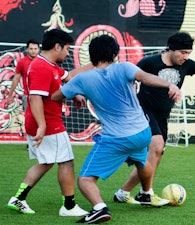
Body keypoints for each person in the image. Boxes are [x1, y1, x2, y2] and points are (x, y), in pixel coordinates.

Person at [51, 34, 181, 224]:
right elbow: (145, 77)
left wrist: (75, 93)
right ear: (115, 54)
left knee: (85, 179)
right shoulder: (125, 68)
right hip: (143, 132)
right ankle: (146, 193)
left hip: (116, 138)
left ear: (91, 55)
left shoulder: (82, 79)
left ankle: (99, 208)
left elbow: (55, 96)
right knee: (142, 163)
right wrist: (170, 84)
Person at [113, 31, 195, 203]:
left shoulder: (187, 65)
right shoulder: (149, 63)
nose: (185, 56)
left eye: (188, 53)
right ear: (171, 49)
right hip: (143, 111)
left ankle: (124, 192)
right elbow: (128, 79)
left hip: (162, 116)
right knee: (156, 145)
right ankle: (147, 194)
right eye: (182, 52)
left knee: (157, 153)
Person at [7, 29, 93, 216]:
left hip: (46, 121)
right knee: (66, 161)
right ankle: (68, 206)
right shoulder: (41, 67)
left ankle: (18, 198)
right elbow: (35, 98)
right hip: (48, 122)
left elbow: (69, 77)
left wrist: (93, 67)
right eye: (67, 49)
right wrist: (42, 125)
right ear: (57, 46)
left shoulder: (50, 65)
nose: (68, 53)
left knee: (46, 162)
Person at [7, 39, 40, 109]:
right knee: (28, 119)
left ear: (39, 49)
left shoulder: (43, 62)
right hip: (27, 96)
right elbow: (16, 79)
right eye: (31, 49)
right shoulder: (22, 62)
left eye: (35, 49)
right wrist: (10, 95)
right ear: (27, 49)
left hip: (41, 96)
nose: (33, 51)